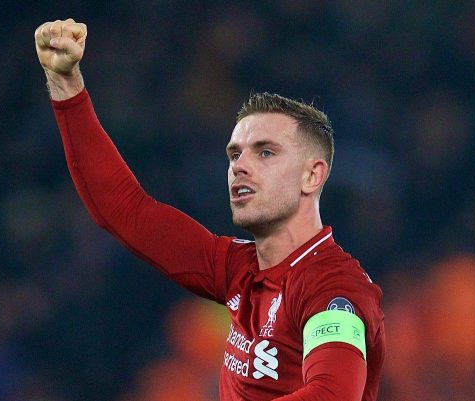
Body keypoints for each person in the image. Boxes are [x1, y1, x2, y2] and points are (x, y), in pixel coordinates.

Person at [34, 18, 385, 401]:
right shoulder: (238, 268)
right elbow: (124, 210)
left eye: (265, 152)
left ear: (312, 176)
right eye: (234, 154)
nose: (240, 166)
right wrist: (66, 83)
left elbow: (332, 394)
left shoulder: (333, 288)